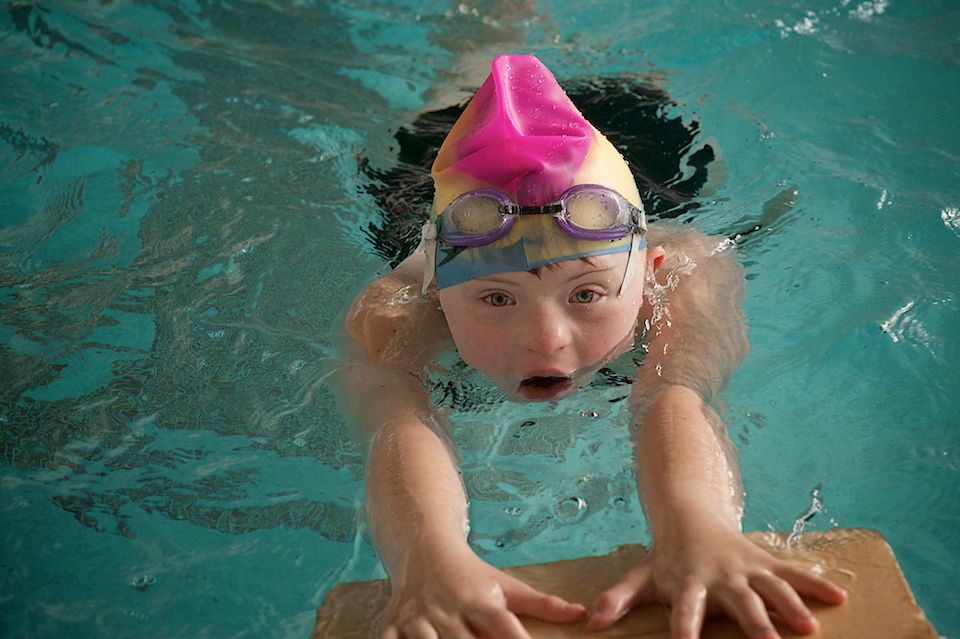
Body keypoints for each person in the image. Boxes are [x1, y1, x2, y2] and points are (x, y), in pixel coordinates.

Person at [333, 53, 847, 639]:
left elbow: (676, 392)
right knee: (461, 75)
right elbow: (395, 420)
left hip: (645, 140)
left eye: (587, 295)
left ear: (650, 272)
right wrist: (424, 557)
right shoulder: (392, 310)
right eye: (497, 300)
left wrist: (699, 526)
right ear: (437, 292)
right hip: (430, 161)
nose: (546, 340)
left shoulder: (691, 271)